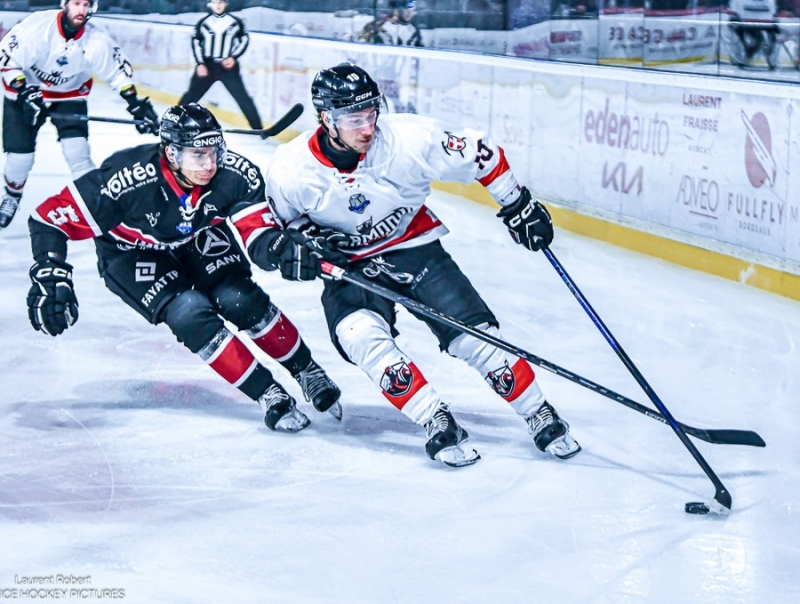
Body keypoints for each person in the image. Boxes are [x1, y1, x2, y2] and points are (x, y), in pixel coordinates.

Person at [255, 63, 581, 467]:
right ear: (326, 119)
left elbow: (483, 153)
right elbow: (281, 228)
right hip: (350, 265)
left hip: (415, 246)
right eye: (355, 119)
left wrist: (517, 203)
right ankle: (436, 419)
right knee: (361, 337)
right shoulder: (291, 168)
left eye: (372, 113)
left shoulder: (411, 138)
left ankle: (538, 412)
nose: (368, 127)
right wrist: (303, 246)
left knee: (475, 339)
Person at [26, 103, 341, 432]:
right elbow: (47, 219)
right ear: (172, 154)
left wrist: (281, 248)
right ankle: (267, 393)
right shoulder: (126, 180)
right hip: (131, 250)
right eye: (198, 155)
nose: (210, 164)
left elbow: (259, 238)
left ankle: (307, 370)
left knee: (239, 298)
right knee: (188, 313)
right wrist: (51, 273)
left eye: (214, 151)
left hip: (197, 235)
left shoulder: (234, 174)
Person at [0, 0, 160, 229]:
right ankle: (12, 196)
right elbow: (7, 60)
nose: (82, 10)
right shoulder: (37, 27)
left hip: (68, 95)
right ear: (64, 4)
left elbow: (117, 75)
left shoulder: (96, 40)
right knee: (19, 159)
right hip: (26, 95)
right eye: (77, 4)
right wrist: (24, 90)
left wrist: (135, 104)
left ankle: (94, 201)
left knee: (78, 152)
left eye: (87, 5)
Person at [178, 0, 263, 131]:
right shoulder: (203, 23)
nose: (218, 5)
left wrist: (233, 57)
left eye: (221, 2)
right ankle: (174, 122)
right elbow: (195, 43)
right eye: (215, 2)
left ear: (226, 4)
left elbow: (244, 39)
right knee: (190, 97)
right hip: (208, 65)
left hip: (227, 68)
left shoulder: (235, 22)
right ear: (210, 4)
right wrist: (200, 63)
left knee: (243, 98)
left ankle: (258, 129)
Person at [728, 0, 780, 69]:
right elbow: (733, 17)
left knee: (763, 38)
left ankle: (750, 56)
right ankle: (747, 56)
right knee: (758, 38)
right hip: (748, 25)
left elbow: (774, 16)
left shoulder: (770, 1)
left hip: (762, 25)